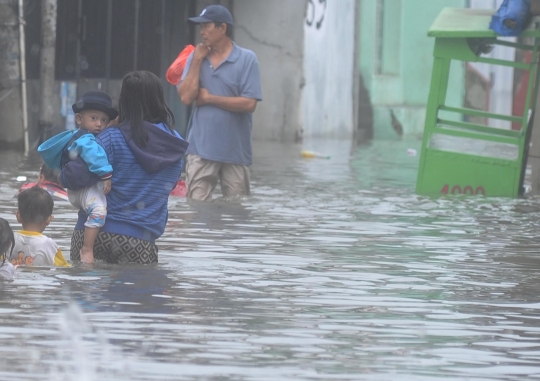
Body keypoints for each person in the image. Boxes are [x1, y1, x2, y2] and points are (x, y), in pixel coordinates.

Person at [60, 70, 189, 264]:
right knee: (136, 293)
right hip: (140, 243)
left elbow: (71, 177)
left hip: (92, 237)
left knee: (85, 292)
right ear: (159, 99)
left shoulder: (110, 138)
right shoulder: (175, 147)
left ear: (123, 102)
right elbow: (166, 188)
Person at [178, 4, 262, 201]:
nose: (202, 32)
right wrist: (197, 60)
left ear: (222, 28)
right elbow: (186, 97)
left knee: (236, 210)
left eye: (207, 27)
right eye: (200, 28)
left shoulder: (247, 59)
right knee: (197, 208)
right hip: (200, 149)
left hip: (236, 153)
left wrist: (210, 99)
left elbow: (250, 104)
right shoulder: (195, 56)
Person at [38, 90, 117, 264]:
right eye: (94, 118)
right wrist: (106, 175)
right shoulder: (86, 139)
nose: (99, 124)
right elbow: (95, 157)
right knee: (99, 212)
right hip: (84, 191)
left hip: (76, 193)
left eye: (104, 120)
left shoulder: (76, 136)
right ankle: (87, 249)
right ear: (80, 119)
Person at [12, 186, 69, 267]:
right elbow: (64, 267)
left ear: (18, 215)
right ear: (49, 219)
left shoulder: (9, 240)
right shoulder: (49, 245)